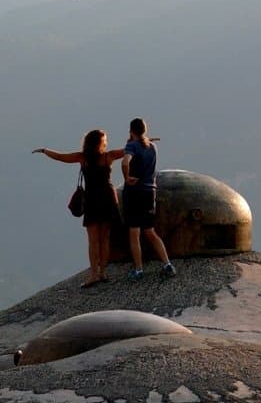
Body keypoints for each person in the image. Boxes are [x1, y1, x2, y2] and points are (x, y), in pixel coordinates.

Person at [33, 130, 123, 288]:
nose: (106, 143)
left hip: (93, 200)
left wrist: (45, 150)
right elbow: (129, 149)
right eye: (104, 140)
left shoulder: (82, 158)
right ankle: (102, 273)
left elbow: (61, 157)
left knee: (93, 240)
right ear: (99, 143)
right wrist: (144, 141)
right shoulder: (108, 156)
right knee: (104, 238)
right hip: (108, 199)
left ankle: (94, 274)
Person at [123, 117, 175, 280]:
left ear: (131, 130)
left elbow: (125, 162)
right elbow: (142, 146)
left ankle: (139, 270)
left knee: (134, 232)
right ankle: (167, 264)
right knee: (150, 231)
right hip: (149, 192)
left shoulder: (131, 146)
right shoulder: (152, 147)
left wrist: (127, 177)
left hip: (134, 192)